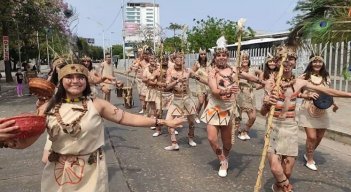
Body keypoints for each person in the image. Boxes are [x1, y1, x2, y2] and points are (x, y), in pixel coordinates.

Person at [2, 63, 185, 192]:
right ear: (61, 81)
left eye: (80, 77)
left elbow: (128, 119)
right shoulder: (46, 108)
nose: (75, 81)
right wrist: (5, 139)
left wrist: (163, 122)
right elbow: (27, 141)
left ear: (86, 82)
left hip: (90, 171)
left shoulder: (97, 104)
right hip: (57, 170)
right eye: (69, 77)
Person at [261, 47, 351, 192]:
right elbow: (263, 112)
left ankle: (278, 187)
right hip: (273, 127)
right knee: (276, 168)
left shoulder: (300, 83)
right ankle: (287, 188)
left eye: (291, 59)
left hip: (291, 127)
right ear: (277, 62)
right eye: (283, 58)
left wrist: (349, 95)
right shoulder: (270, 84)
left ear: (295, 63)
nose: (287, 61)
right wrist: (267, 103)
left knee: (287, 171)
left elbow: (327, 91)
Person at [200, 43, 265, 177]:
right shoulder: (212, 72)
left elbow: (250, 77)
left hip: (229, 108)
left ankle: (226, 156)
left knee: (227, 142)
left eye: (224, 55)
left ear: (227, 57)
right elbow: (214, 90)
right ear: (215, 57)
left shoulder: (235, 70)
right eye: (219, 55)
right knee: (212, 139)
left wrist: (263, 83)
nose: (221, 58)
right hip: (214, 107)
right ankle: (222, 160)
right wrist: (228, 90)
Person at [297, 54, 338, 171]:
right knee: (311, 137)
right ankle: (310, 159)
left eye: (319, 62)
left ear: (323, 63)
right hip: (307, 109)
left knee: (319, 137)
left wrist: (334, 104)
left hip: (322, 110)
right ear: (311, 63)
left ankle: (308, 153)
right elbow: (296, 92)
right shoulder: (304, 77)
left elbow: (328, 93)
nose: (317, 64)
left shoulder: (326, 77)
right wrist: (307, 95)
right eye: (315, 62)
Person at [163, 52, 200, 150]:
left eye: (181, 58)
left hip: (187, 99)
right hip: (176, 99)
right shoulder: (170, 71)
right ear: (174, 60)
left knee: (191, 122)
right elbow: (166, 87)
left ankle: (191, 138)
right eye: (177, 58)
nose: (180, 60)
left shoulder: (188, 71)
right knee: (168, 121)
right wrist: (177, 81)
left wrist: (211, 83)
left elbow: (199, 77)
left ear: (183, 60)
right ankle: (174, 143)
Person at [236, 52, 262, 140]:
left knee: (253, 117)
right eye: (243, 59)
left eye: (246, 59)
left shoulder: (253, 70)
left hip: (250, 95)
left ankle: (245, 129)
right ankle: (240, 131)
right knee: (237, 116)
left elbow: (261, 73)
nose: (245, 60)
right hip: (239, 93)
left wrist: (259, 84)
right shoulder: (237, 70)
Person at [192, 48, 210, 123]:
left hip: (208, 85)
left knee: (207, 101)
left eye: (204, 54)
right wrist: (197, 76)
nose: (203, 55)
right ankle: (196, 115)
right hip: (200, 85)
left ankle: (205, 116)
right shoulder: (197, 63)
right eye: (201, 54)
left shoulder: (209, 63)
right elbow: (192, 73)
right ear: (199, 55)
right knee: (201, 101)